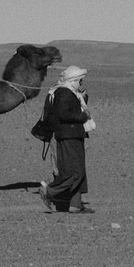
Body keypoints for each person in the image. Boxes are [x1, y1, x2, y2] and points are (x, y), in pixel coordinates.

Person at [35, 63, 93, 212]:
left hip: (74, 135)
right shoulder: (64, 93)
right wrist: (83, 116)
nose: (81, 83)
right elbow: (64, 114)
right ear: (73, 80)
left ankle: (75, 205)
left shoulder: (70, 93)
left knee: (79, 170)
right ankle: (50, 191)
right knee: (73, 172)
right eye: (80, 80)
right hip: (68, 136)